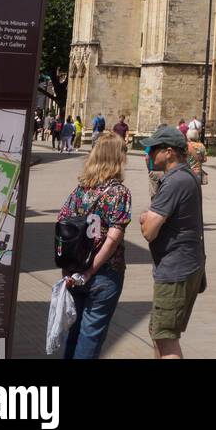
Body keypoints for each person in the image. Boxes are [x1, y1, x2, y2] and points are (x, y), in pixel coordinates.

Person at [57, 132, 132, 359]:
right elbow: (113, 238)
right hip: (105, 273)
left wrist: (68, 268)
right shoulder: (119, 192)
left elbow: (62, 227)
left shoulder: (79, 190)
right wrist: (91, 271)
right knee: (91, 336)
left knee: (75, 332)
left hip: (75, 269)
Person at [139, 125, 207, 358]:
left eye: (152, 149)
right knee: (160, 333)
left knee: (166, 337)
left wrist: (146, 219)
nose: (148, 155)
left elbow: (149, 231)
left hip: (175, 268)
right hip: (185, 264)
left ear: (169, 152)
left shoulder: (175, 181)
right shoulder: (186, 176)